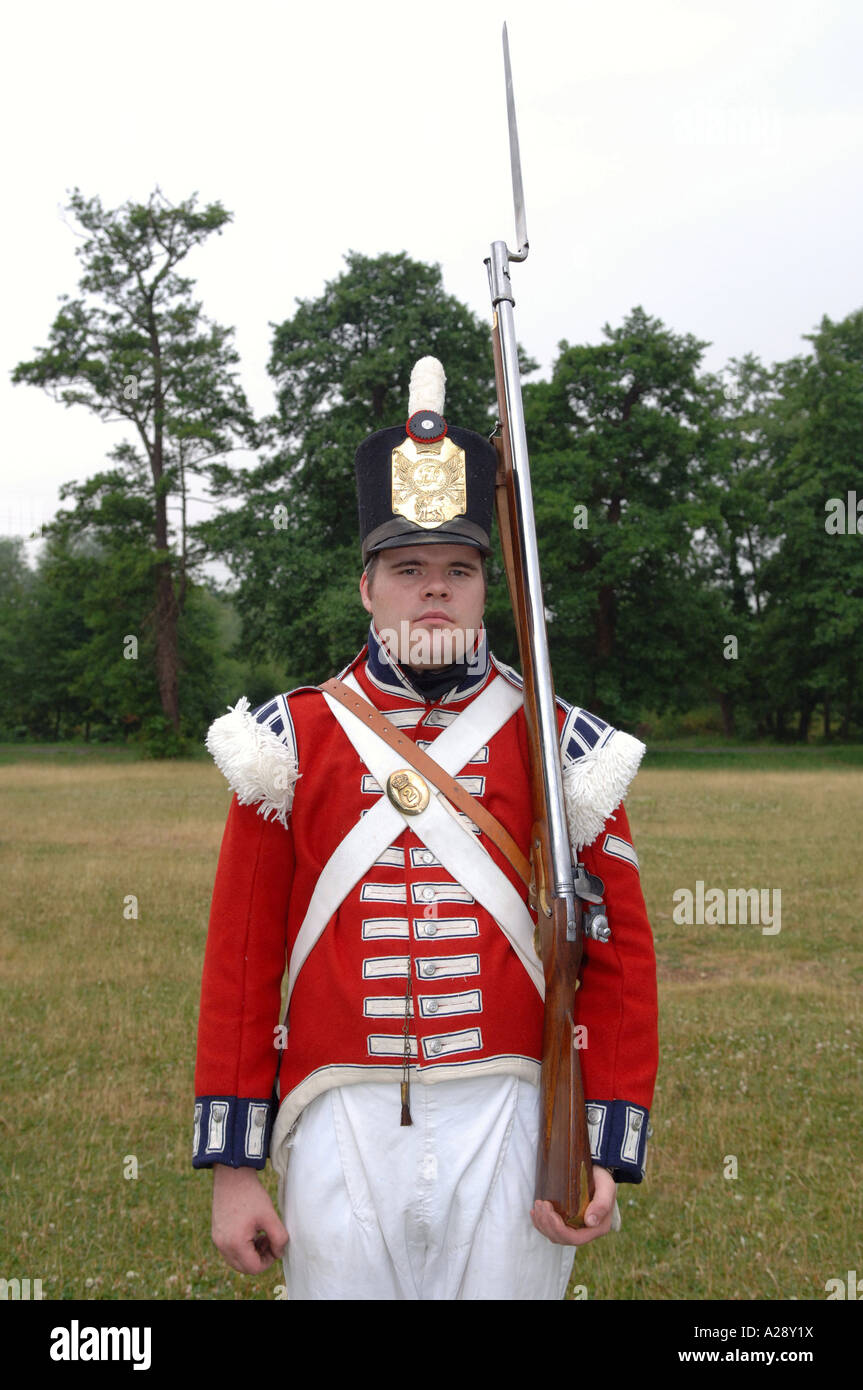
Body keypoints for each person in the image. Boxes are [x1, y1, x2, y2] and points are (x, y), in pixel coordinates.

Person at [193, 357, 658, 1300]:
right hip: (337, 1115)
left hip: (513, 1113)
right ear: (367, 588)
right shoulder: (286, 740)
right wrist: (235, 1169)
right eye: (408, 570)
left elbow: (615, 959)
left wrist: (600, 1141)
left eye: (458, 569)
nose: (433, 590)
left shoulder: (561, 744)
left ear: (488, 585)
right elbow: (242, 962)